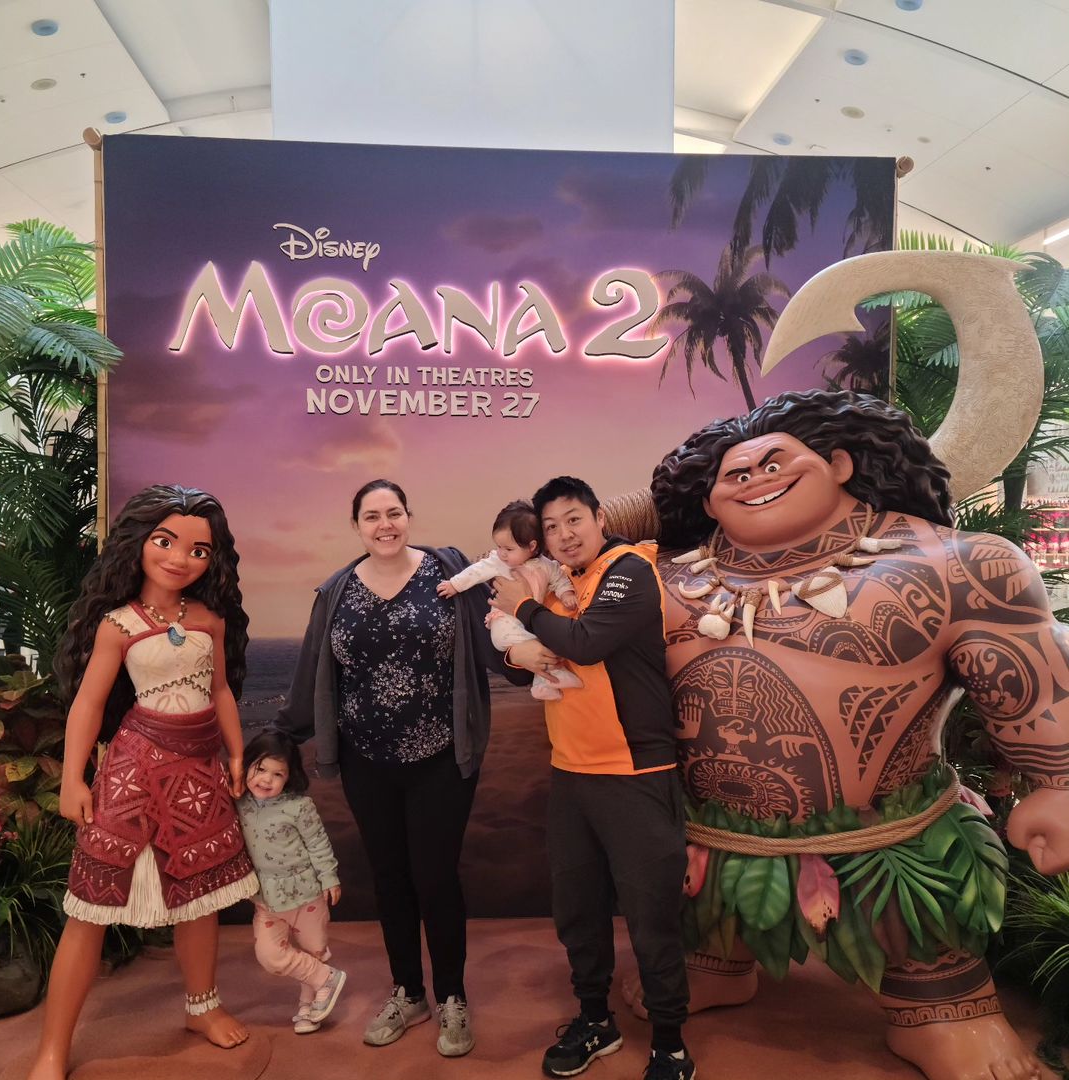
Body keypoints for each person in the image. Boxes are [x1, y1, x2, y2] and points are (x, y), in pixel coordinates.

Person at [610, 387, 1069, 1080]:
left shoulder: (957, 564)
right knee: (692, 900)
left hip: (894, 841)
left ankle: (943, 1003)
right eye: (735, 474)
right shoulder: (661, 581)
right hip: (709, 835)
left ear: (842, 464)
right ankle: (714, 963)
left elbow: (1027, 675)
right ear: (708, 502)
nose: (756, 479)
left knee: (925, 920)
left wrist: (1057, 782)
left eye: (775, 462)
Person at [276, 478, 531, 1059]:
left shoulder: (446, 569)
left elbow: (489, 633)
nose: (384, 524)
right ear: (357, 526)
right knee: (390, 879)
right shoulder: (336, 590)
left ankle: (453, 997)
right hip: (368, 762)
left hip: (443, 756)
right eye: (372, 516)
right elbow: (314, 666)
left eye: (394, 513)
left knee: (435, 877)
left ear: (409, 516)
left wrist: (528, 663)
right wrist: (284, 735)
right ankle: (407, 991)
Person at [26, 485, 257, 1080]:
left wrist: (236, 752)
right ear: (140, 544)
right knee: (91, 905)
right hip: (135, 767)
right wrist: (74, 778)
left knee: (199, 894)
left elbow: (222, 690)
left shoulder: (210, 619)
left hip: (201, 771)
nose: (180, 558)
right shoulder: (118, 625)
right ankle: (53, 1046)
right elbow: (87, 704)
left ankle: (201, 1007)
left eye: (198, 550)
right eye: (165, 541)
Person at [492, 476, 694, 1080]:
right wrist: (514, 651)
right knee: (576, 910)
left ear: (599, 517)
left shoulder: (629, 568)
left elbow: (587, 641)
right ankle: (594, 1019)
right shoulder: (558, 583)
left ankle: (669, 1041)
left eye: (573, 520)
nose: (562, 535)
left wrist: (521, 609)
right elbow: (516, 656)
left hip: (635, 772)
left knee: (650, 914)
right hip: (570, 773)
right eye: (550, 527)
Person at [236, 729, 346, 1035]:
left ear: (289, 777)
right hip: (267, 900)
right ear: (246, 765)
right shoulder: (240, 803)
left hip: (306, 895)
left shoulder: (299, 806)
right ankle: (327, 978)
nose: (266, 779)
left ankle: (308, 1007)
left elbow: (318, 843)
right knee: (270, 956)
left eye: (277, 774)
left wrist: (329, 877)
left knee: (313, 949)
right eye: (260, 769)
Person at [436, 498, 581, 700]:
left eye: (509, 549)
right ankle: (553, 675)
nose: (501, 553)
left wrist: (566, 593)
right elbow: (477, 571)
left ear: (532, 546)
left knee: (545, 638)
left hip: (528, 622)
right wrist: (454, 584)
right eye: (499, 546)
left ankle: (543, 684)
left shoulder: (547, 566)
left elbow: (559, 579)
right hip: (505, 624)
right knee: (539, 644)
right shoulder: (498, 562)